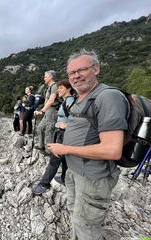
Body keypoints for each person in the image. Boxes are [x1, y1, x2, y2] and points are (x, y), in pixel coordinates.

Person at [48, 49, 129, 240]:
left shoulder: (107, 97)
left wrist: (65, 148)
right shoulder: (81, 98)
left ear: (96, 69)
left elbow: (112, 149)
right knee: (76, 218)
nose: (76, 76)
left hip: (93, 178)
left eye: (81, 70)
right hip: (75, 172)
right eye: (71, 73)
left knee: (87, 228)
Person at [33, 80, 75, 195]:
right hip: (63, 133)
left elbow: (78, 119)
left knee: (55, 159)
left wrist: (66, 125)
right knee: (65, 158)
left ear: (69, 89)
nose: (58, 90)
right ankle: (64, 178)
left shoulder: (70, 101)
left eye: (61, 88)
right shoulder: (67, 101)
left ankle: (44, 184)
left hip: (64, 133)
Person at [34, 70, 60, 152]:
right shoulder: (49, 87)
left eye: (45, 76)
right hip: (48, 111)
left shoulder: (54, 86)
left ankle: (50, 152)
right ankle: (41, 145)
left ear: (51, 77)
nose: (44, 78)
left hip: (52, 111)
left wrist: (42, 111)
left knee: (49, 130)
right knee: (40, 128)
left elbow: (51, 100)